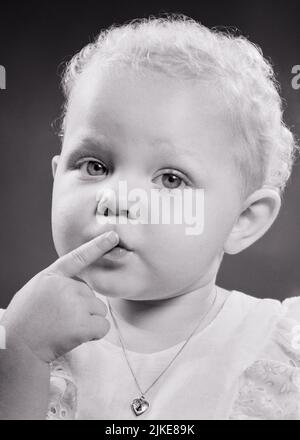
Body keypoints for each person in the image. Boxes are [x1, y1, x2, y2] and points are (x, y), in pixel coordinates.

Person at [0, 14, 300, 420]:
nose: (116, 199)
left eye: (171, 179)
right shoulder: (16, 335)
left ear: (244, 219)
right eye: (94, 166)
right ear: (56, 177)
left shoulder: (284, 349)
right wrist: (22, 357)